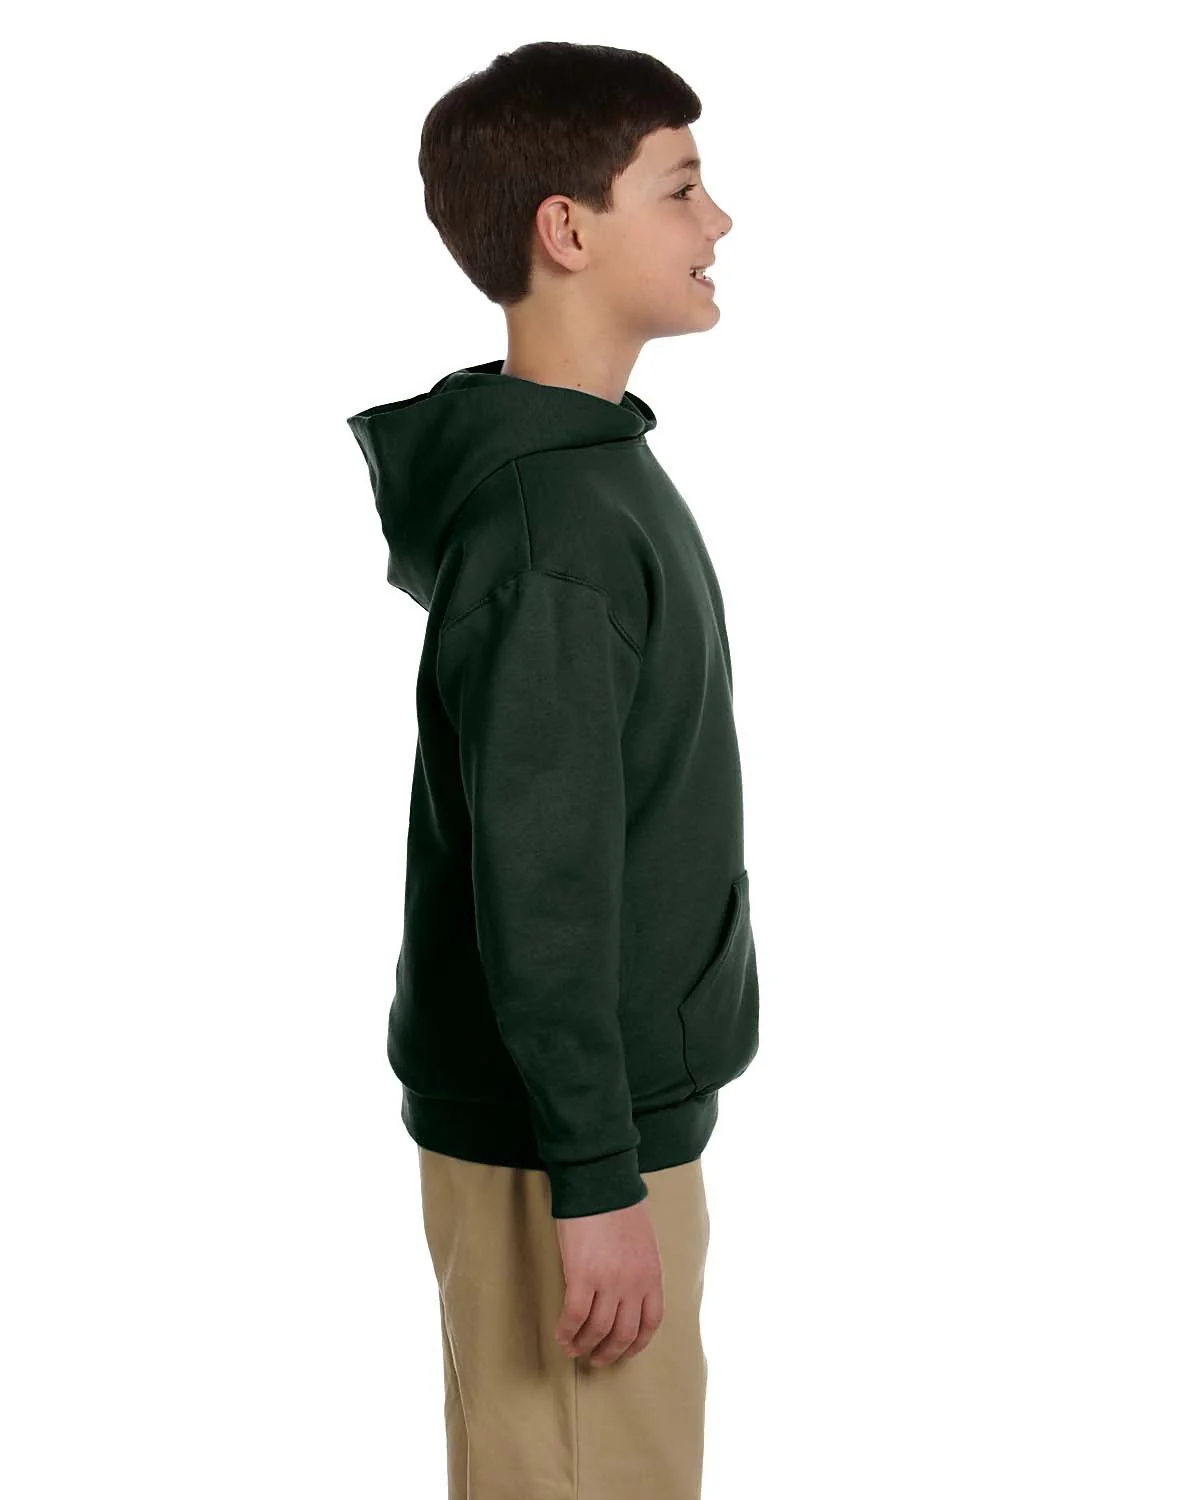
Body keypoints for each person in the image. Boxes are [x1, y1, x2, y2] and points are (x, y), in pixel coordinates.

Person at [346, 40, 759, 1500]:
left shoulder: (594, 478)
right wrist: (593, 1179)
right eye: (682, 188)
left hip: (594, 1134)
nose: (720, 220)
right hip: (563, 1150)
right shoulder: (553, 531)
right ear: (567, 229)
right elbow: (545, 889)